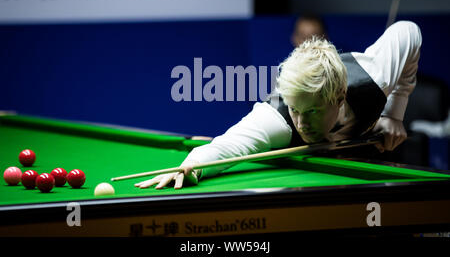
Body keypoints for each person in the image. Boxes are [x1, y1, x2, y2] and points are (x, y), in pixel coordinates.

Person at [136, 21, 422, 190]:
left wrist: (393, 114)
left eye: (311, 111)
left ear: (339, 96)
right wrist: (192, 166)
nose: (301, 123)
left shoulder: (375, 77)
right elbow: (229, 147)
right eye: (296, 110)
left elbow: (408, 32)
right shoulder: (276, 119)